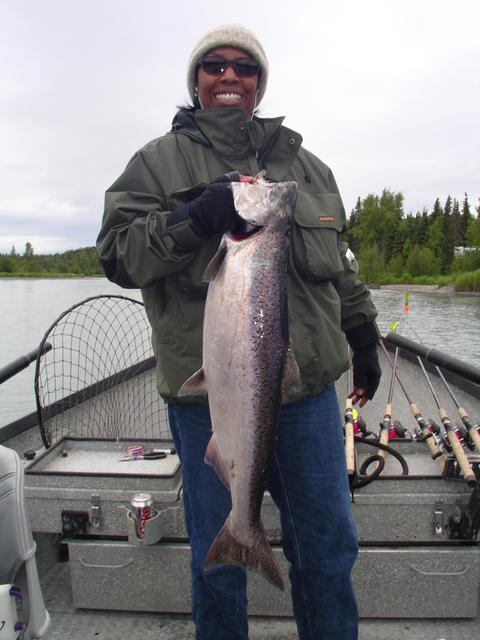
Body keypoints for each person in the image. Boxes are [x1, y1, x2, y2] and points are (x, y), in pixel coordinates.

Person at [97, 24, 381, 640]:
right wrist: (195, 217)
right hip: (210, 401)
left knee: (329, 552)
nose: (230, 76)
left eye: (244, 66)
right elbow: (118, 256)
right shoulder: (155, 163)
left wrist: (361, 330)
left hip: (306, 400)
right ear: (196, 80)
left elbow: (341, 262)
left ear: (260, 81)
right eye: (215, 65)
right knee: (217, 570)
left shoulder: (306, 165)